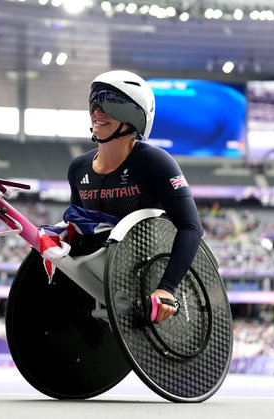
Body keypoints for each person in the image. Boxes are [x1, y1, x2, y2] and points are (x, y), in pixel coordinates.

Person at [66, 70, 204, 324]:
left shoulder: (155, 161)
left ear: (134, 115)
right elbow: (77, 229)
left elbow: (191, 227)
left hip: (147, 288)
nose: (97, 110)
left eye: (108, 102)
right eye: (94, 100)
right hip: (97, 287)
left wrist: (167, 288)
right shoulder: (78, 168)